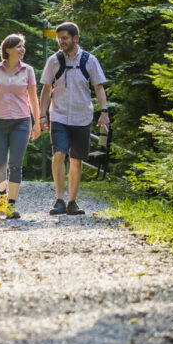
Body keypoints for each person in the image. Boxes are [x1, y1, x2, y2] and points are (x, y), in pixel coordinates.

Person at [38, 21, 109, 216]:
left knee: (76, 160)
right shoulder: (54, 61)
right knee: (59, 154)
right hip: (59, 115)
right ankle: (59, 199)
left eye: (65, 38)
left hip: (82, 117)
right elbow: (46, 88)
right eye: (59, 38)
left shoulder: (89, 61)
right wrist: (42, 114)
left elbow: (99, 87)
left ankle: (72, 202)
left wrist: (104, 111)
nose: (61, 41)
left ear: (75, 38)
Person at [0, 33, 42, 218]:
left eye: (23, 46)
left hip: (21, 122)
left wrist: (37, 122)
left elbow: (33, 99)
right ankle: (2, 194)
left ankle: (11, 205)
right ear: (8, 49)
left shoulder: (28, 70)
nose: (23, 50)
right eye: (19, 46)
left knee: (15, 165)